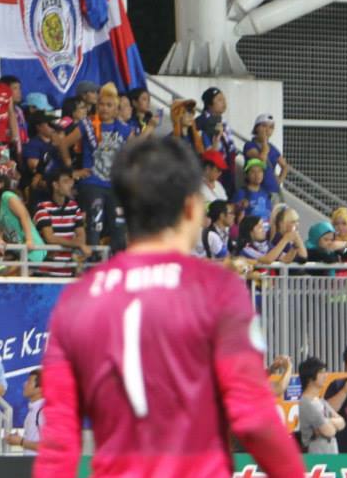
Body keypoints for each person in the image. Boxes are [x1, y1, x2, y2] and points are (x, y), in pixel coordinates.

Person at [34, 135, 302, 478]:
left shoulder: (76, 301)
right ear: (192, 207)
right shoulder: (218, 290)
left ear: (124, 209)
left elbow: (58, 441)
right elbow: (254, 417)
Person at [294, 357, 344, 453]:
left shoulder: (321, 401)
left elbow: (342, 422)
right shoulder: (306, 403)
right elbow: (329, 431)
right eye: (321, 372)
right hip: (317, 457)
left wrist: (327, 422)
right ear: (311, 376)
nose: (325, 375)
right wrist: (331, 425)